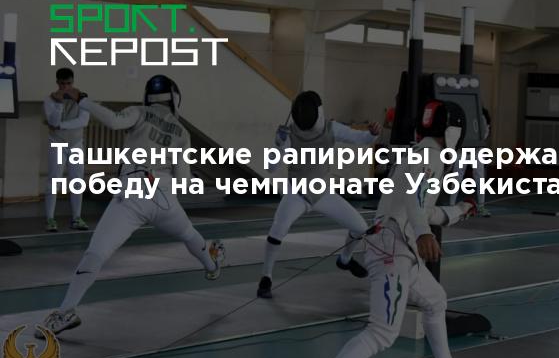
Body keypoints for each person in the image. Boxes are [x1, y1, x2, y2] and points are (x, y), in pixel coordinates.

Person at [298, 100, 479, 358]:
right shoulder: (430, 156)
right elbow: (413, 198)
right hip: (392, 250)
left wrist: (459, 211)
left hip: (398, 248)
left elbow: (421, 208)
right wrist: (423, 233)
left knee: (435, 299)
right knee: (382, 332)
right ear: (453, 131)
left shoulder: (421, 153)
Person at [36, 75, 225, 337]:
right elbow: (183, 181)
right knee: (188, 233)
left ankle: (66, 312)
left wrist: (82, 99)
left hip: (133, 191)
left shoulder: (139, 112)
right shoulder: (182, 132)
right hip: (164, 196)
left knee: (96, 253)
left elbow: (114, 121)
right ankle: (212, 265)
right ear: (175, 98)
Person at [257, 91, 380, 298]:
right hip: (297, 193)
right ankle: (266, 277)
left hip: (323, 193)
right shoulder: (289, 133)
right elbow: (271, 167)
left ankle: (345, 260)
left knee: (360, 228)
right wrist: (277, 145)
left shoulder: (331, 128)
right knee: (277, 230)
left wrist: (372, 134)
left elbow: (361, 139)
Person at [43, 68, 90, 232]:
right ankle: (50, 219)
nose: (65, 87)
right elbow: (53, 120)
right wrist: (59, 103)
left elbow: (83, 121)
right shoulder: (50, 100)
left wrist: (60, 126)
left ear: (73, 82)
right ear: (57, 82)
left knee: (77, 181)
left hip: (75, 143)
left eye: (68, 83)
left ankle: (76, 218)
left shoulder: (82, 98)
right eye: (62, 84)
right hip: (56, 142)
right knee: (54, 180)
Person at [449, 106, 491, 217]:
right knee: (457, 177)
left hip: (476, 150)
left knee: (480, 178)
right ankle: (451, 205)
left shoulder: (481, 117)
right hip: (462, 149)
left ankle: (481, 206)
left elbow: (484, 133)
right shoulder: (461, 115)